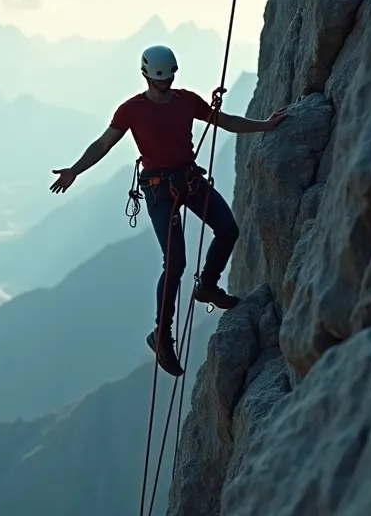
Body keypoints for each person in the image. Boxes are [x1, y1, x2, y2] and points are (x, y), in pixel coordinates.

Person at [48, 45, 288, 377]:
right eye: (160, 79)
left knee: (228, 229)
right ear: (146, 75)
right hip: (160, 189)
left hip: (188, 180)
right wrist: (75, 170)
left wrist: (265, 126)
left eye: (169, 78)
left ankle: (207, 285)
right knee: (175, 262)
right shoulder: (131, 110)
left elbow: (224, 121)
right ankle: (161, 336)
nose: (165, 84)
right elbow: (103, 144)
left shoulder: (186, 100)